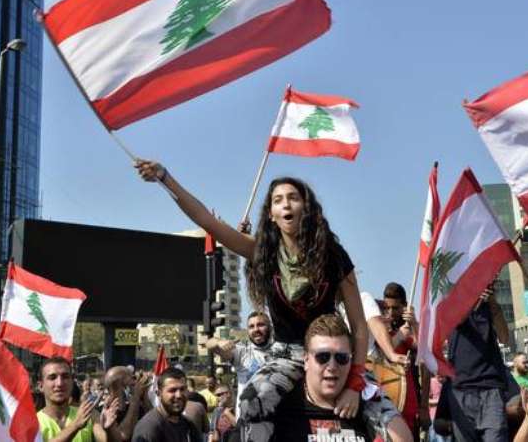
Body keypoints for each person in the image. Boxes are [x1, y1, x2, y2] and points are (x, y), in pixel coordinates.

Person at [136, 161, 401, 442]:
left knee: (393, 422)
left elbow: (359, 326)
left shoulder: (334, 256)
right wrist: (165, 179)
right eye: (278, 200)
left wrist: (355, 382)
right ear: (272, 214)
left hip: (332, 354)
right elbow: (206, 220)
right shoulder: (261, 251)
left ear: (306, 208)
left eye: (293, 198)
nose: (286, 204)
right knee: (252, 401)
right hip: (286, 356)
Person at [271, 314, 413, 442]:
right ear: (306, 360)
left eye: (341, 358)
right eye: (322, 357)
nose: (332, 366)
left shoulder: (365, 403)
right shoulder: (281, 406)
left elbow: (403, 438)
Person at [444, 285, 512, 441]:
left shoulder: (490, 306)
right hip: (461, 389)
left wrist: (493, 303)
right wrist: (475, 297)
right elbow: (457, 320)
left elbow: (504, 338)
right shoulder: (451, 301)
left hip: (491, 389)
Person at [37, 356, 119, 442]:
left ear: (72, 382)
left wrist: (109, 430)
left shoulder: (88, 414)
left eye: (65, 377)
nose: (60, 383)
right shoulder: (32, 423)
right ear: (41, 386)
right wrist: (75, 425)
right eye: (52, 377)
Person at [206, 311, 272, 416]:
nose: (256, 329)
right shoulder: (242, 352)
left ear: (270, 327)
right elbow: (209, 343)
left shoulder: (280, 351)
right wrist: (219, 342)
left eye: (260, 325)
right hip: (247, 422)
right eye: (251, 326)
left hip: (275, 419)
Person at [382, 282, 427, 434]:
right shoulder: (378, 328)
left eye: (395, 308)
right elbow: (377, 356)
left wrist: (414, 323)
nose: (390, 312)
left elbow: (424, 352)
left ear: (404, 307)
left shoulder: (408, 328)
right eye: (387, 307)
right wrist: (398, 336)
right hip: (383, 409)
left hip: (408, 408)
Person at [132, 367, 202, 442]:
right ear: (159, 393)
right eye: (172, 390)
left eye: (182, 389)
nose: (179, 395)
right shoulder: (149, 428)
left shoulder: (189, 425)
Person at [105, 365, 150, 441]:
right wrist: (135, 397)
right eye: (132, 379)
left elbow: (153, 421)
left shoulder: (134, 406)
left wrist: (144, 396)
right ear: (123, 386)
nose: (135, 382)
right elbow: (123, 435)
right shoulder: (105, 412)